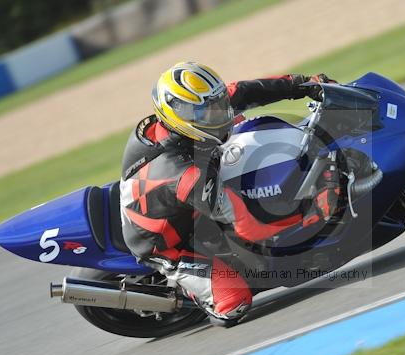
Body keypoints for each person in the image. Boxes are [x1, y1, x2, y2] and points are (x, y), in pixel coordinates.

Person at [120, 61, 342, 326]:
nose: (219, 114)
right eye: (208, 112)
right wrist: (313, 213)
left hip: (181, 200)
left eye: (218, 103)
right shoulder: (182, 173)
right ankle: (187, 287)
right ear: (180, 115)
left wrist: (305, 84)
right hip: (167, 243)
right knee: (234, 305)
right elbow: (248, 226)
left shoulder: (191, 116)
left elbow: (245, 91)